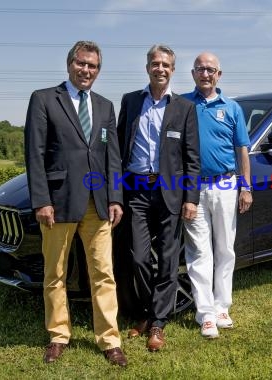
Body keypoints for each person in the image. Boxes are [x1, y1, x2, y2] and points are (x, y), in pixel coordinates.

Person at [24, 41, 127, 367]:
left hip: (97, 205)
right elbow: (35, 154)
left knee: (104, 274)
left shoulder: (106, 106)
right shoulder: (44, 99)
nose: (86, 71)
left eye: (93, 66)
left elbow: (112, 157)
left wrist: (115, 197)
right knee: (55, 273)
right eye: (82, 64)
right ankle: (58, 335)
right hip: (58, 203)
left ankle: (110, 340)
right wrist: (42, 199)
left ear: (98, 70)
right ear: (70, 64)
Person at [116, 44, 200, 352]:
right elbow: (117, 149)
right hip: (136, 191)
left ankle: (158, 324)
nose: (160, 68)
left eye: (166, 64)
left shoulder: (183, 108)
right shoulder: (130, 101)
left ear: (173, 70)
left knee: (167, 260)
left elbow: (192, 157)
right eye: (155, 63)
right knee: (137, 257)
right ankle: (143, 313)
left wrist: (191, 198)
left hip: (170, 195)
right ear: (147, 66)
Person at [182, 52, 252, 338]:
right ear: (193, 73)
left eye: (210, 69)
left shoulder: (233, 108)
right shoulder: (183, 105)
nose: (205, 74)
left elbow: (242, 150)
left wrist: (246, 186)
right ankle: (205, 313)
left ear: (219, 75)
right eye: (200, 69)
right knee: (199, 251)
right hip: (194, 188)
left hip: (226, 184)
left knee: (225, 248)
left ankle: (222, 307)